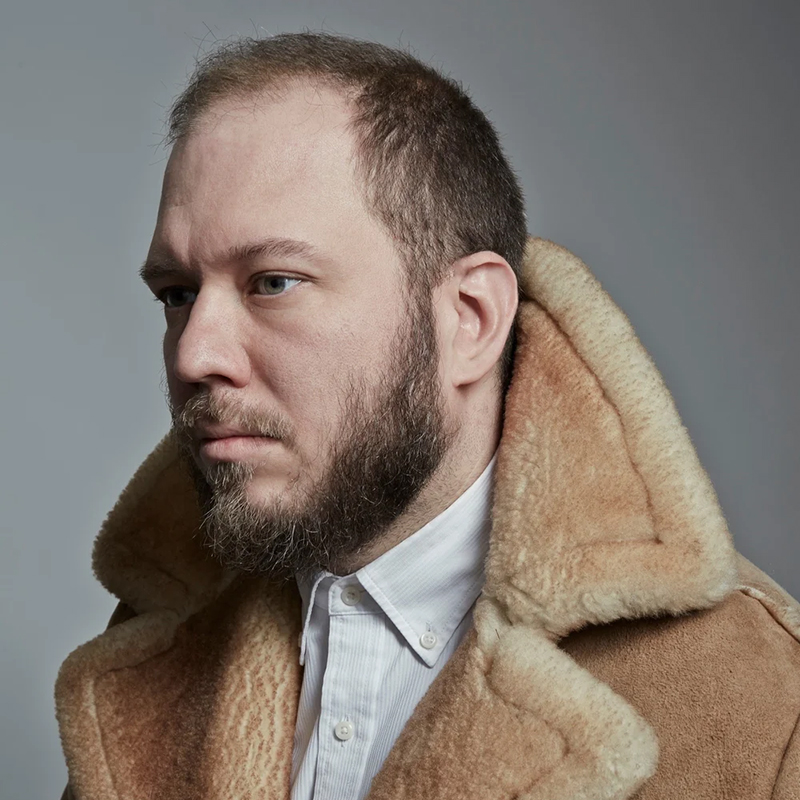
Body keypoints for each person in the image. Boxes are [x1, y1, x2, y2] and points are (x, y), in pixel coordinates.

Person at [55, 32, 799, 800]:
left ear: (469, 320)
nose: (193, 353)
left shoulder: (759, 706)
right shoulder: (153, 644)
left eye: (272, 281)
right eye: (177, 293)